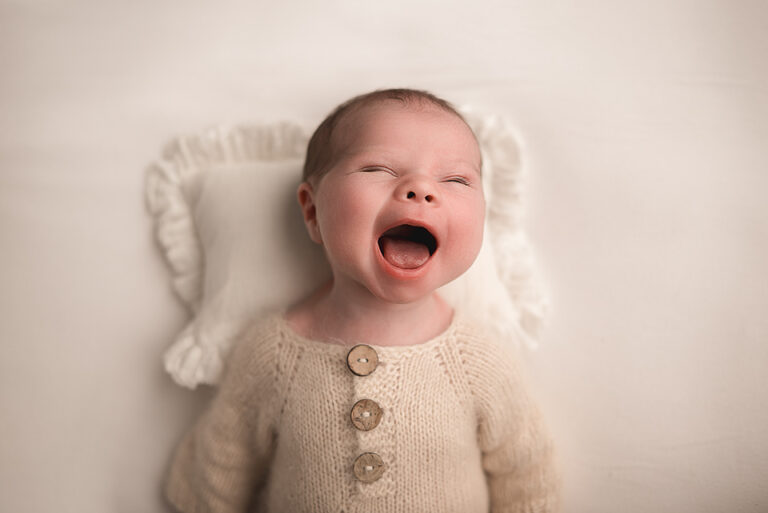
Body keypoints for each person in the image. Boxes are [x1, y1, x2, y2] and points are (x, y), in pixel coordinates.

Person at [165, 89, 559, 513]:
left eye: (455, 180)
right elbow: (218, 474)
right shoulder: (270, 355)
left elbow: (529, 478)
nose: (421, 189)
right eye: (378, 168)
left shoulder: (479, 361)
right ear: (313, 211)